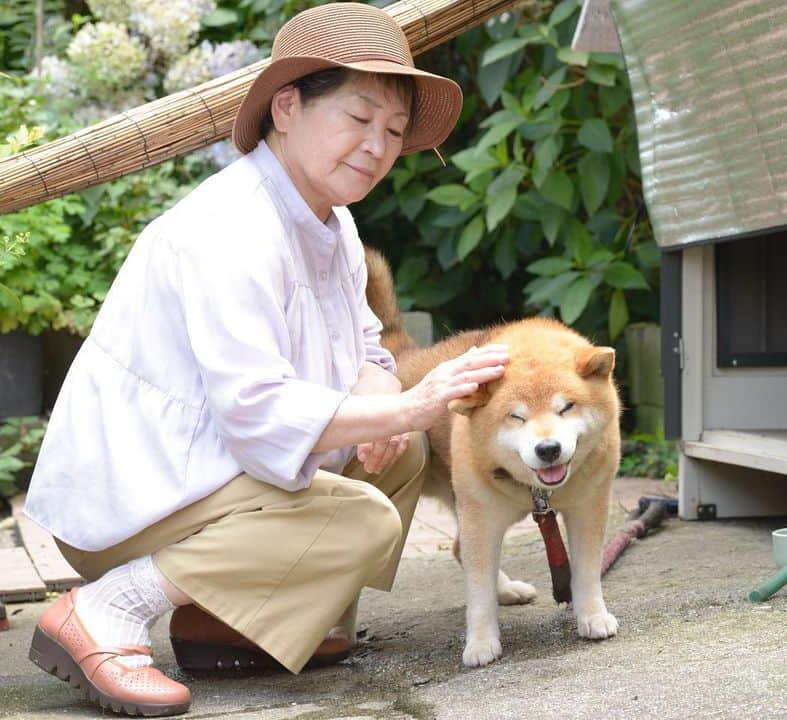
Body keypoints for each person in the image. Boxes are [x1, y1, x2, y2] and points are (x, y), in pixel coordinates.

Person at [22, 4, 507, 716]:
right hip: (136, 498)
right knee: (362, 515)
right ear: (287, 106)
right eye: (359, 117)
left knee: (395, 452)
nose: (377, 146)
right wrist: (405, 405)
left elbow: (369, 349)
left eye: (394, 131)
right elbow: (256, 411)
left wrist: (386, 409)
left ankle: (227, 622)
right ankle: (104, 608)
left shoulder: (331, 220)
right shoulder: (231, 226)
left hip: (211, 477)